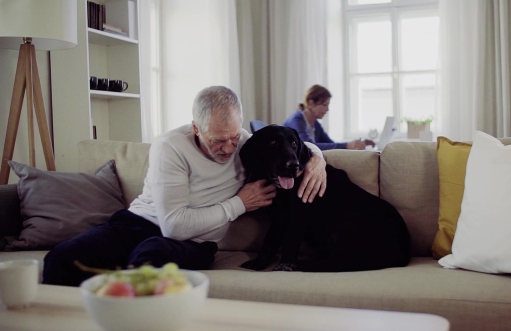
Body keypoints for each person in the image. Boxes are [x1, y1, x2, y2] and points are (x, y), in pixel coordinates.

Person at [42, 86, 327, 286]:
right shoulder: (170, 146)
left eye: (233, 137)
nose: (229, 148)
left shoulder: (245, 144)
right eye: (217, 140)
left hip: (196, 244)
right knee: (61, 259)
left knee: (149, 256)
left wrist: (318, 158)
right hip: (136, 224)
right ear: (195, 128)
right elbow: (173, 226)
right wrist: (239, 203)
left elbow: (288, 142)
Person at [282, 84, 375, 150]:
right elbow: (309, 146)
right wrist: (347, 145)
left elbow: (330, 143)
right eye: (324, 105)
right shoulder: (297, 120)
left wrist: (356, 144)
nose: (327, 109)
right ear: (311, 103)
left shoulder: (315, 123)